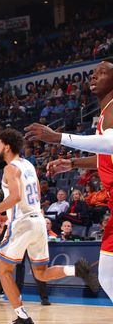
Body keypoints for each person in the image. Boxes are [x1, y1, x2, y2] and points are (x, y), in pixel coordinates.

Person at [0, 129, 98, 324]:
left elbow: (15, 197)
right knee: (40, 273)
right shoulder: (28, 165)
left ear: (7, 146)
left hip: (23, 224)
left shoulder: (10, 168)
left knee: (3, 270)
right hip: (38, 221)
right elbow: (35, 195)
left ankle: (22, 317)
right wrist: (4, 215)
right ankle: (76, 270)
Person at [24, 58, 113, 305]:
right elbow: (105, 157)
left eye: (102, 73)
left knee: (107, 274)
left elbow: (111, 144)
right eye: (93, 73)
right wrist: (73, 164)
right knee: (107, 274)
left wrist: (58, 137)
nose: (94, 77)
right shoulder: (106, 113)